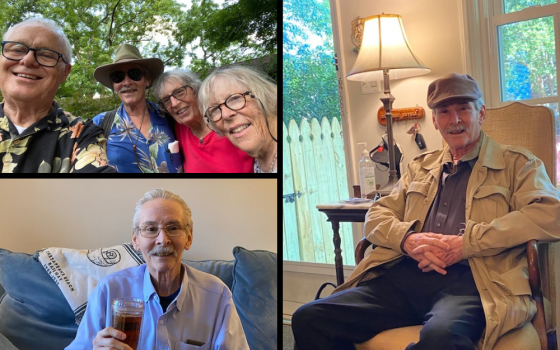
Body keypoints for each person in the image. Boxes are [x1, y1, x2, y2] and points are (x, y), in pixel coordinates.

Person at [292, 73, 560, 350]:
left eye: (463, 109)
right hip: (405, 273)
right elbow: (377, 214)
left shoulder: (518, 164)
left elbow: (551, 214)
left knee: (440, 339)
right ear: (434, 121)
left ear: (481, 114)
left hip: (474, 281)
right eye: (444, 112)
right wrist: (408, 240)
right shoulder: (419, 166)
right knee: (309, 317)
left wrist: (467, 244)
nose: (454, 120)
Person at [66, 188, 249, 349]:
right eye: (151, 229)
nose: (163, 239)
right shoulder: (108, 290)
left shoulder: (217, 295)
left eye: (173, 227)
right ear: (136, 240)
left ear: (189, 237)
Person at [0, 18, 116, 173]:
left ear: (65, 73)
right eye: (17, 50)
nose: (27, 60)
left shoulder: (82, 135)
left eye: (46, 55)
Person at [92, 44, 181, 173]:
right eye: (118, 76)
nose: (127, 82)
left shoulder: (170, 115)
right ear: (113, 85)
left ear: (148, 80)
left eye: (134, 74)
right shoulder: (100, 124)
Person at [152, 69, 254, 172]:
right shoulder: (178, 131)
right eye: (166, 100)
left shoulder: (228, 120)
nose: (174, 103)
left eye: (179, 92)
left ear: (195, 90)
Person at [198, 65, 277, 173]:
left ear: (267, 97)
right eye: (215, 109)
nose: (225, 114)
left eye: (235, 98)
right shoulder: (259, 163)